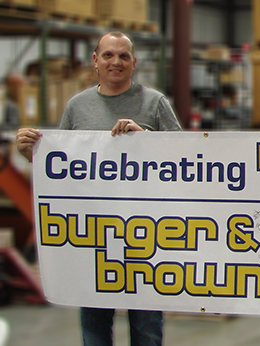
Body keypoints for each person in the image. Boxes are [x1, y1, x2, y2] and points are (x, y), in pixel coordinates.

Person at [16, 31, 181, 346]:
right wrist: (33, 155)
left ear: (133, 63)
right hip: (92, 238)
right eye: (108, 55)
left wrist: (144, 140)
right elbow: (61, 169)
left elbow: (187, 162)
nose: (115, 62)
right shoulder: (77, 107)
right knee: (94, 330)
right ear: (95, 61)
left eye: (123, 56)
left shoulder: (154, 103)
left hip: (145, 238)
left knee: (147, 330)